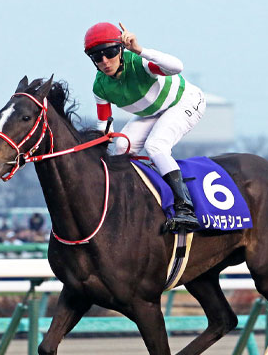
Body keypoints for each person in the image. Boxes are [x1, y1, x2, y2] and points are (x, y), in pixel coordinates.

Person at [83, 21, 206, 232]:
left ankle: (185, 208)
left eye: (110, 52)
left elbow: (177, 67)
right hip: (151, 113)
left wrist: (139, 50)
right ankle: (137, 198)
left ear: (121, 50)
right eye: (97, 56)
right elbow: (104, 126)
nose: (104, 61)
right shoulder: (100, 86)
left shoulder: (139, 63)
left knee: (156, 146)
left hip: (183, 102)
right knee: (121, 147)